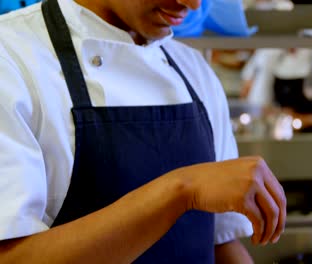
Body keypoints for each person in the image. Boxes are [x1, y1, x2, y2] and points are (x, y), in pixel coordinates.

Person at [0, 0, 286, 263]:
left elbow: (220, 243)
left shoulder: (193, 70)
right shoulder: (12, 58)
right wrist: (180, 189)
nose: (193, 4)